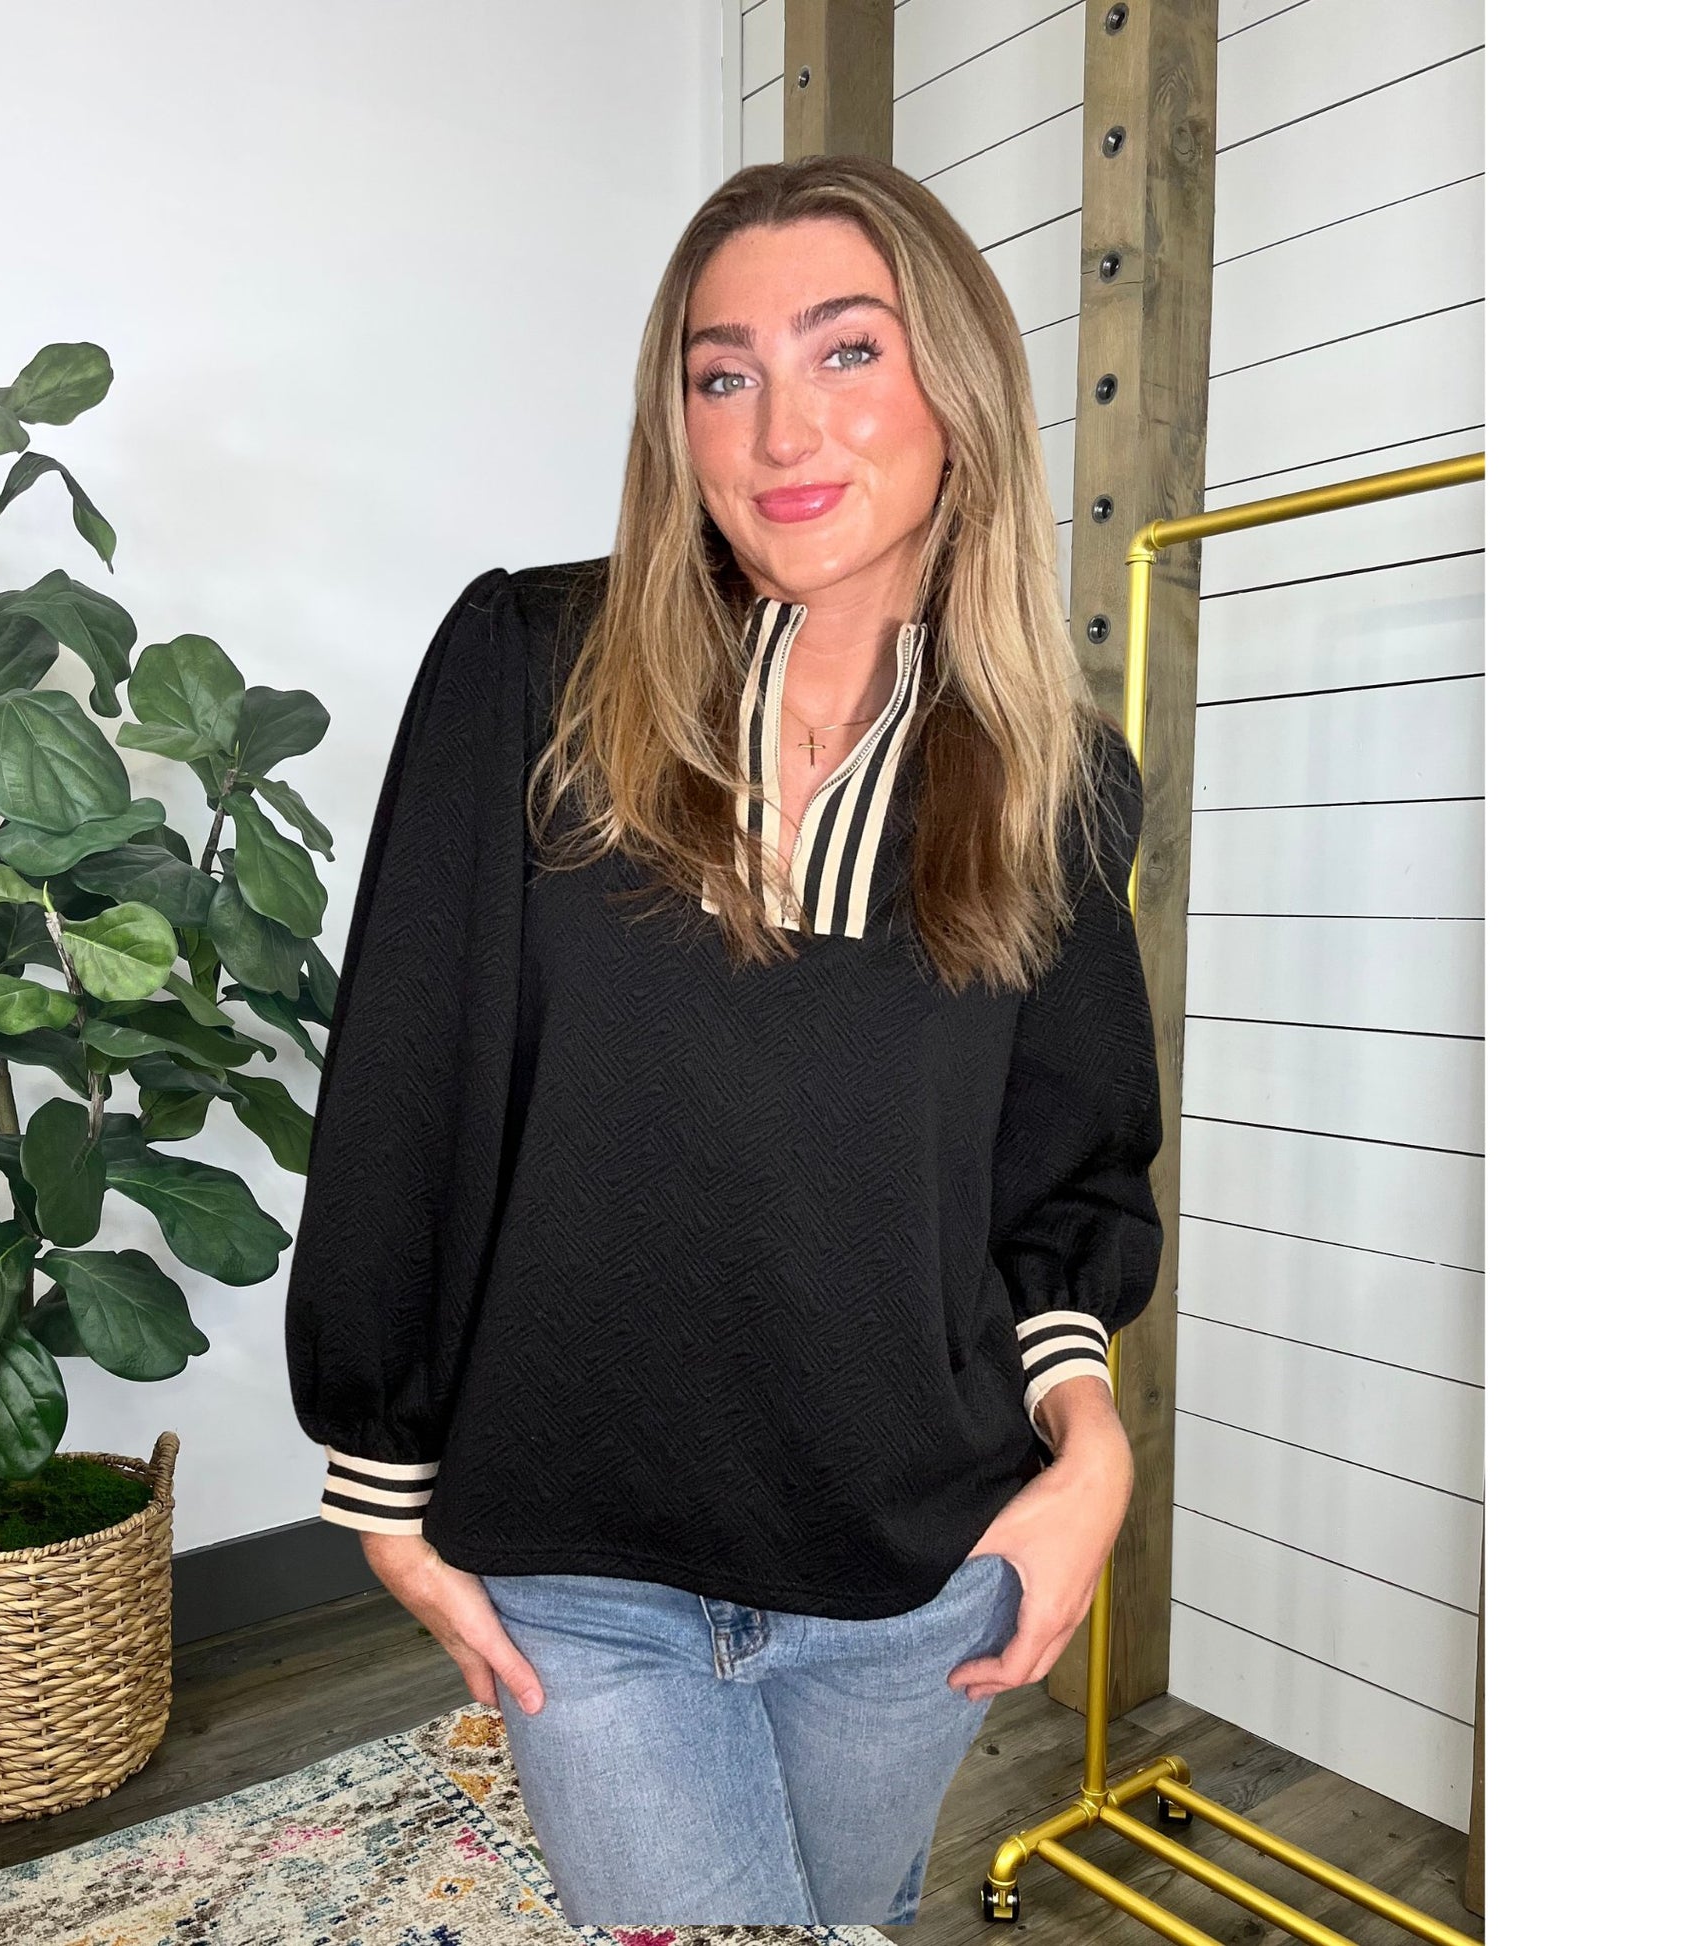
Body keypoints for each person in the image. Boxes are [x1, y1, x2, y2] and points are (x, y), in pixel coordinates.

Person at [283, 153, 1164, 1927]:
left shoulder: (1055, 784)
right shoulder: (528, 671)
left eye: (847, 350)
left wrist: (1091, 1453)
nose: (779, 429)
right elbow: (403, 1092)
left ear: (958, 388)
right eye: (720, 372)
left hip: (916, 1572)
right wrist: (382, 1480)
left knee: (848, 1919)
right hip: (582, 1564)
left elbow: (1058, 1183)